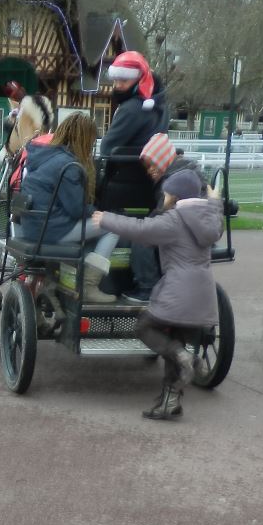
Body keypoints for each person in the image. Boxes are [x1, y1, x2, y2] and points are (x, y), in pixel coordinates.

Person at [93, 168, 224, 420]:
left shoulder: (174, 220)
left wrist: (106, 218)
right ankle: (170, 401)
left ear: (176, 196)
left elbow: (141, 229)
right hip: (202, 294)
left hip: (178, 291)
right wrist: (215, 201)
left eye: (167, 194)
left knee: (144, 328)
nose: (163, 198)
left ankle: (184, 357)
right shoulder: (207, 217)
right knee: (174, 338)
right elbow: (215, 221)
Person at [13, 113, 119, 303]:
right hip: (51, 231)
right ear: (84, 139)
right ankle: (88, 285)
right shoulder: (68, 165)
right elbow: (76, 210)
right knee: (114, 225)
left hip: (32, 227)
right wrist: (98, 212)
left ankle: (56, 285)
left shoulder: (44, 157)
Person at [99, 50, 169, 303]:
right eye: (116, 80)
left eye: (123, 80)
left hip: (122, 185)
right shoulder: (161, 108)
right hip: (149, 185)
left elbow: (107, 148)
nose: (117, 85)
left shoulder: (131, 109)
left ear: (139, 80)